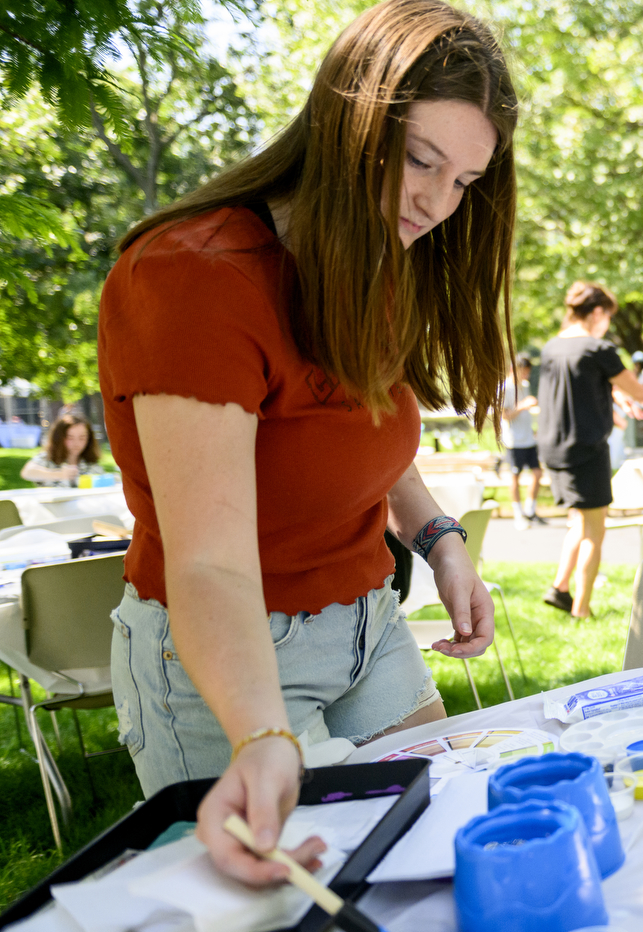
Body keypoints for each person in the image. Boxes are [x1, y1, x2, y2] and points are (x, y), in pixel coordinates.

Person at [98, 0, 515, 886]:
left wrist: (438, 539)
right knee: (292, 898)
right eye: (418, 161)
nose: (437, 204)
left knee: (439, 863)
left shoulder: (373, 255)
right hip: (228, 656)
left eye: (466, 182)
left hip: (369, 622)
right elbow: (208, 561)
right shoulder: (192, 276)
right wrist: (261, 734)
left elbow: (362, 431)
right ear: (345, 123)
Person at [537, 282, 643, 618]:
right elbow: (641, 393)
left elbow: (577, 387)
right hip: (585, 447)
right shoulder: (598, 349)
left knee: (579, 522)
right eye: (608, 316)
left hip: (553, 445)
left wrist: (614, 396)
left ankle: (560, 589)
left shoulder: (553, 347)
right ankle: (582, 609)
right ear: (597, 312)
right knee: (596, 529)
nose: (607, 322)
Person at [499, 354, 543, 530]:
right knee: (515, 477)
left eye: (527, 373)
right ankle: (518, 514)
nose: (526, 376)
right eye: (523, 372)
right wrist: (523, 406)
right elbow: (505, 415)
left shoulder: (524, 385)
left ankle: (530, 510)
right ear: (513, 369)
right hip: (514, 441)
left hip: (528, 439)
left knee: (538, 473)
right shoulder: (505, 388)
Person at [21, 414, 106, 488]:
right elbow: (27, 472)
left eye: (82, 438)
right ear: (59, 438)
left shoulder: (90, 463)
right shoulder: (48, 458)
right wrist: (59, 474)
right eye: (70, 438)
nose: (76, 443)